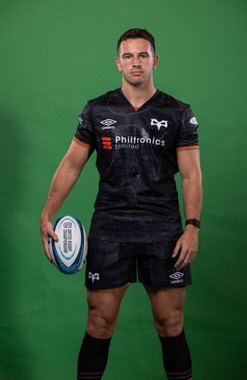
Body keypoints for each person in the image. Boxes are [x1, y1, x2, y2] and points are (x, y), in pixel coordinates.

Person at [40, 28, 202, 380]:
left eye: (143, 55)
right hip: (110, 229)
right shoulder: (97, 110)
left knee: (170, 323)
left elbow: (191, 175)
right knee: (99, 324)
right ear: (118, 63)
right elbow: (71, 164)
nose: (136, 62)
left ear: (154, 61)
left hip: (163, 230)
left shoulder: (178, 112)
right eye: (128, 56)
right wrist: (46, 213)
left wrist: (192, 227)